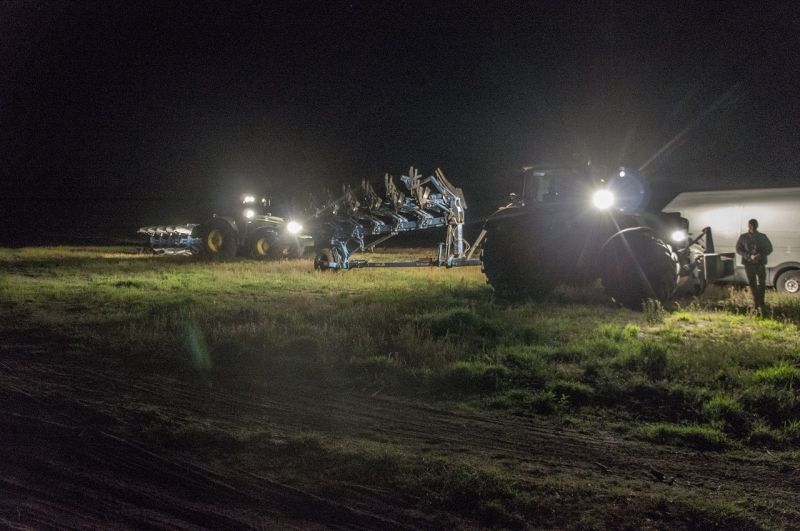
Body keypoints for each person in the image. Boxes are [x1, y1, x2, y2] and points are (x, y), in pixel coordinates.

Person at [735, 219, 773, 310]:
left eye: (754, 225)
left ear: (756, 225)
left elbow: (769, 248)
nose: (752, 227)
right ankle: (756, 302)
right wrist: (749, 256)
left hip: (760, 263)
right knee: (752, 283)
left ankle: (761, 301)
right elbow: (738, 249)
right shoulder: (743, 237)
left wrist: (760, 255)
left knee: (762, 283)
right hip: (749, 263)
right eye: (750, 225)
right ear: (748, 226)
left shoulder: (762, 236)